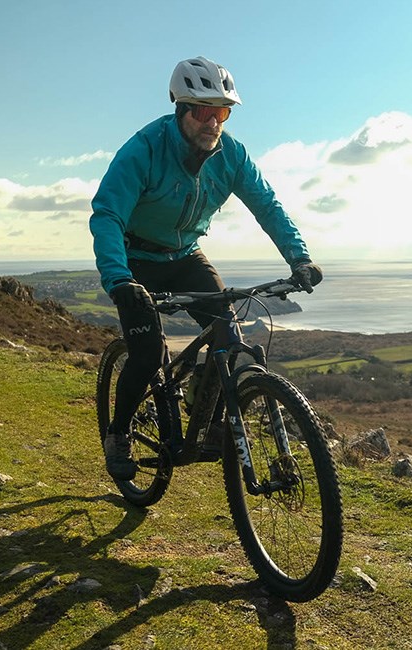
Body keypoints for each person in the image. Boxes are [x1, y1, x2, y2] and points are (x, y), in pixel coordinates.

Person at [89, 56, 322, 481]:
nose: (213, 122)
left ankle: (208, 416)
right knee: (145, 354)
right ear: (181, 109)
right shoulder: (144, 149)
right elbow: (107, 214)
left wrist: (299, 257)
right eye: (203, 111)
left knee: (228, 338)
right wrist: (119, 279)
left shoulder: (231, 155)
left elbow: (266, 205)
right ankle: (119, 433)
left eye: (222, 112)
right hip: (135, 260)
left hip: (185, 257)